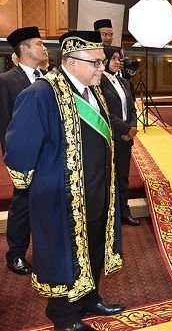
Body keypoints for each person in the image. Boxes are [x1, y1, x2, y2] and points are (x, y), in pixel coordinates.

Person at [4, 30, 124, 330]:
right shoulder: (41, 93)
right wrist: (32, 186)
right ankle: (63, 315)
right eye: (96, 62)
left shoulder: (93, 90)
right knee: (62, 254)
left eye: (102, 62)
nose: (101, 68)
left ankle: (89, 298)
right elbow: (19, 146)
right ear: (71, 62)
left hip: (97, 189)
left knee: (93, 245)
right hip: (61, 195)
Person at [1, 26, 47, 275]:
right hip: (25, 156)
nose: (44, 48)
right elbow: (5, 123)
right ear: (24, 49)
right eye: (39, 43)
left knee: (47, 203)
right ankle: (16, 254)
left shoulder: (48, 77)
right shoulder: (7, 80)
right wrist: (13, 159)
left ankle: (45, 249)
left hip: (49, 155)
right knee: (22, 205)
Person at [100, 47, 140, 226]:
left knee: (123, 176)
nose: (118, 62)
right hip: (110, 137)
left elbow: (132, 108)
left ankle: (124, 211)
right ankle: (110, 215)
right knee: (109, 177)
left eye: (119, 59)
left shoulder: (123, 82)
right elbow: (105, 113)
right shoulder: (99, 82)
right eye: (114, 58)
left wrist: (132, 128)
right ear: (105, 61)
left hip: (126, 137)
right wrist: (125, 129)